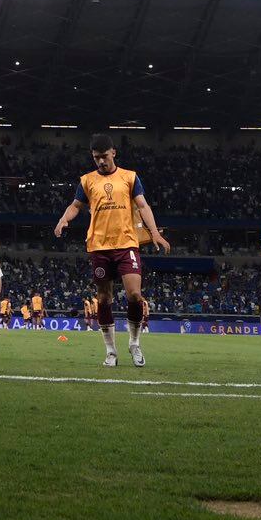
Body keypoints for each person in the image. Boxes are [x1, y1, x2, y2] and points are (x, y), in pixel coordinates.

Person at [54, 133, 169, 369]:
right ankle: (110, 351)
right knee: (104, 298)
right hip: (99, 247)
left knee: (135, 295)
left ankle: (134, 344)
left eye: (104, 156)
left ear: (113, 153)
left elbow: (143, 205)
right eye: (96, 158)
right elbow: (75, 206)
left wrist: (154, 233)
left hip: (126, 244)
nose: (100, 162)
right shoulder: (86, 181)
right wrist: (64, 219)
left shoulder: (129, 177)